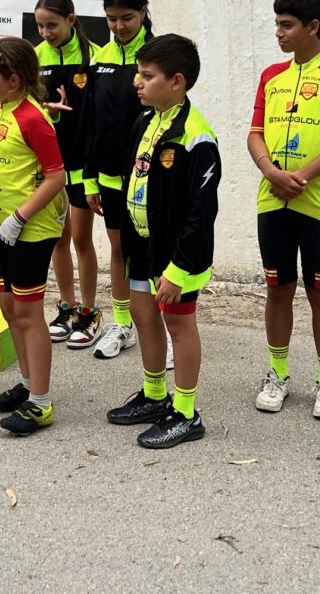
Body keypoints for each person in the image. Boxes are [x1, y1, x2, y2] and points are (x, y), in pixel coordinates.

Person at [247, 0, 320, 421]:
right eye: (277, 24)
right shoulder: (271, 76)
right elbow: (255, 133)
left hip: (319, 202)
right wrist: (272, 172)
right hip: (272, 198)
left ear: (313, 27)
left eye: (287, 25)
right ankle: (277, 373)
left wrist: (302, 176)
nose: (278, 33)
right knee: (277, 289)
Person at [106, 34, 220, 448]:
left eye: (147, 75)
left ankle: (186, 413)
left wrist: (179, 268)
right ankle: (155, 395)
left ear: (177, 81)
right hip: (142, 243)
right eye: (138, 73)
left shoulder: (196, 137)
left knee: (179, 325)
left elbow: (200, 213)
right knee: (142, 313)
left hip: (176, 254)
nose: (137, 82)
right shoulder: (146, 120)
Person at [0, 38, 68, 436]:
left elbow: (56, 177)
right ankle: (29, 384)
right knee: (8, 306)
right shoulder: (0, 112)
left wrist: (19, 217)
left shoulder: (33, 118)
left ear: (13, 80)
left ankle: (41, 403)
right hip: (5, 225)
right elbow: (0, 172)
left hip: (32, 228)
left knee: (29, 313)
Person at [83, 0, 156, 361]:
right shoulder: (100, 58)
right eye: (111, 19)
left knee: (153, 251)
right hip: (109, 176)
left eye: (126, 17)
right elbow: (91, 121)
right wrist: (90, 178)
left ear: (143, 11)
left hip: (149, 175)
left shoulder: (158, 56)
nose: (119, 26)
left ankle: (161, 328)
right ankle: (123, 323)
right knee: (119, 248)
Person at [34, 0, 103, 349]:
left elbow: (99, 115)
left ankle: (89, 312)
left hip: (83, 165)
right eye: (40, 26)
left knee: (80, 239)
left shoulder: (94, 56)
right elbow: (28, 112)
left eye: (52, 25)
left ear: (71, 20)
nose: (46, 33)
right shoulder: (35, 58)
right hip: (52, 168)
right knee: (58, 239)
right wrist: (48, 112)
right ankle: (67, 307)